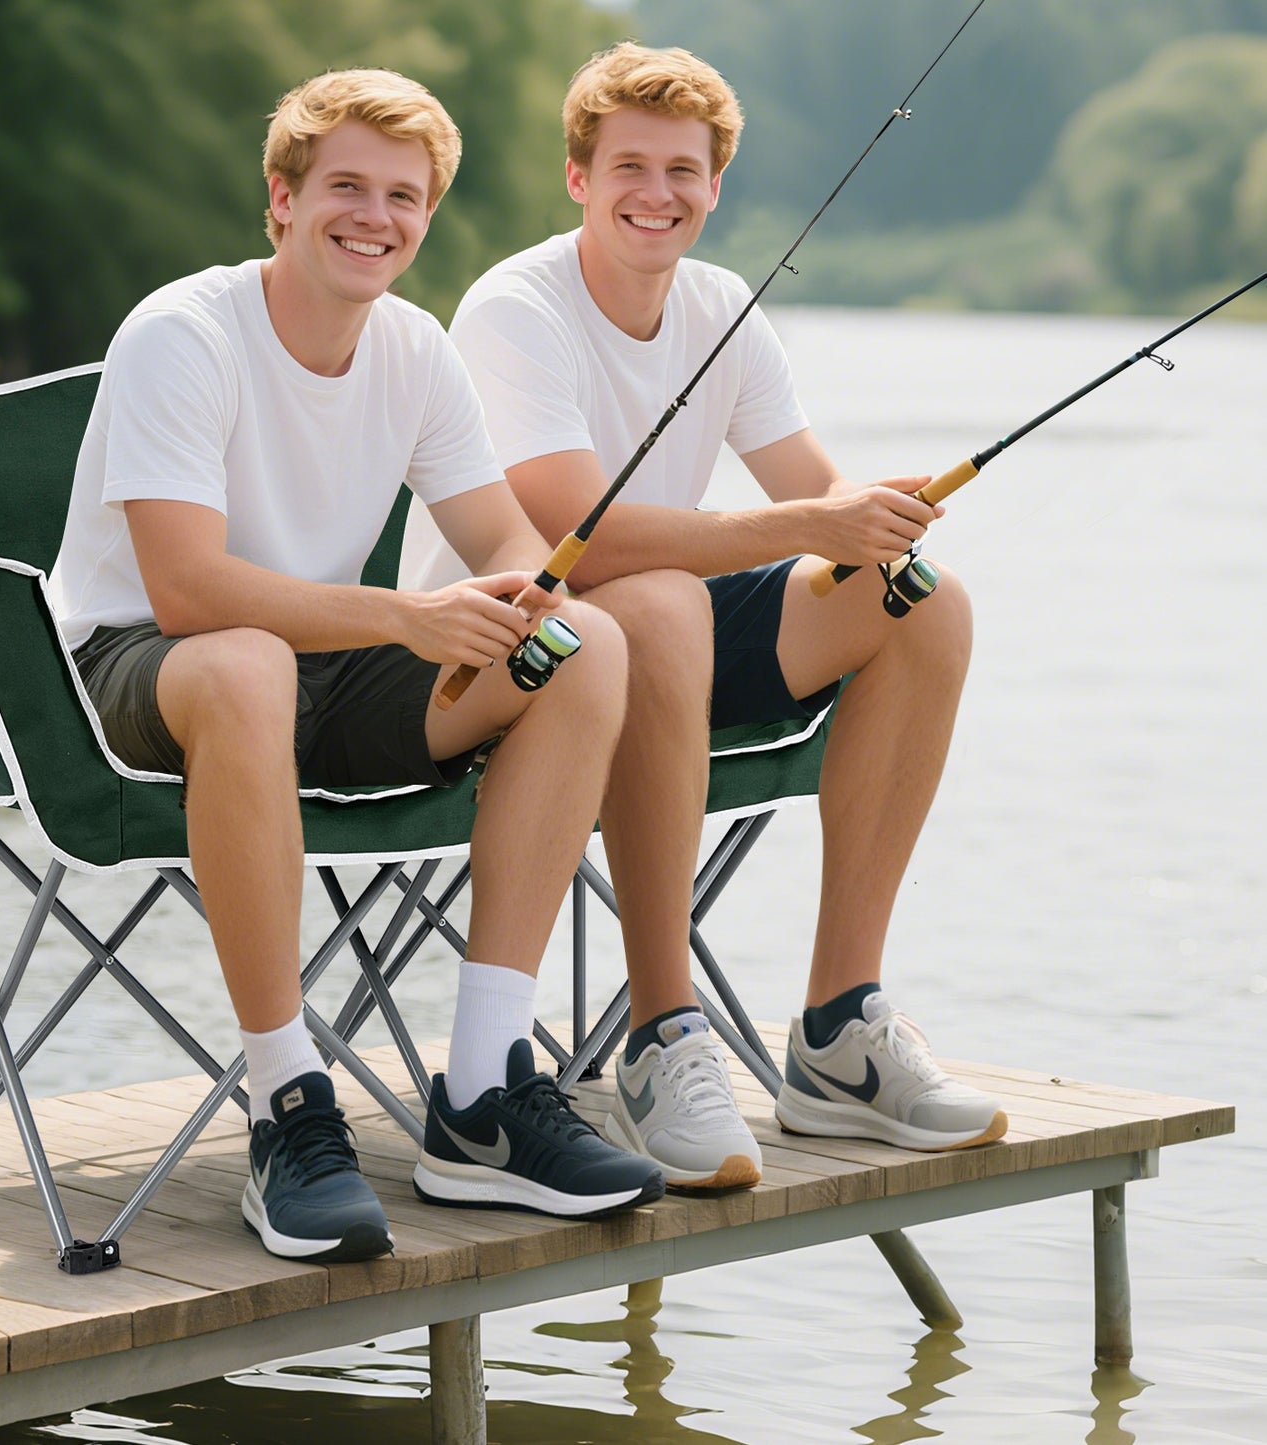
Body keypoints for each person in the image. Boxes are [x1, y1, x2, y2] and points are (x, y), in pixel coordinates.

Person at [50, 68, 684, 1265]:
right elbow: (185, 588)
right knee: (242, 663)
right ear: (281, 201)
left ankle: (486, 1088)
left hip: (328, 666)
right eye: (345, 186)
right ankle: (288, 1101)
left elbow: (506, 539)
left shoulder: (414, 347)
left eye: (403, 196)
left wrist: (516, 596)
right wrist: (404, 614)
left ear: (426, 218)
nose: (374, 216)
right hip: (144, 668)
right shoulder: (182, 331)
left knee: (585, 640)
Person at [400, 42, 1008, 1157]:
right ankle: (660, 1033)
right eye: (628, 165)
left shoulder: (723, 304)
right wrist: (807, 527)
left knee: (926, 598)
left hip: (666, 630)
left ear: (714, 188)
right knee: (669, 601)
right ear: (578, 177)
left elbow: (807, 487)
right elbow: (576, 543)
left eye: (682, 171)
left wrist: (869, 517)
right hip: (509, 656)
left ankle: (835, 1029)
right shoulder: (513, 309)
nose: (656, 193)